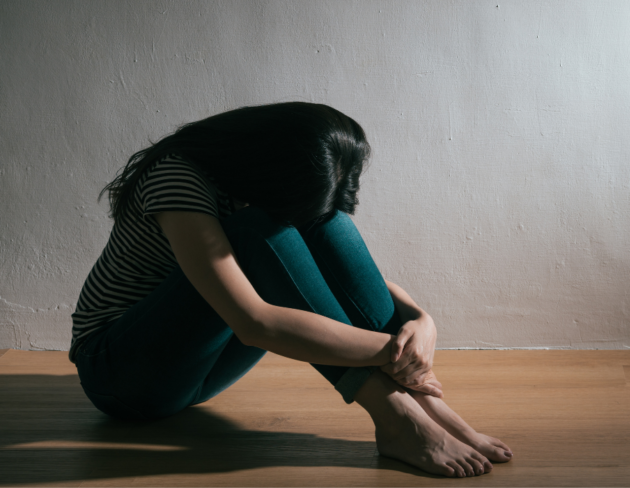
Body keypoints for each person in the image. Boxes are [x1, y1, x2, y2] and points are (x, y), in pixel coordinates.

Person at [70, 102, 511, 478]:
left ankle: (425, 406)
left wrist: (419, 320)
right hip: (122, 375)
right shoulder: (177, 179)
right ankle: (397, 417)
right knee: (253, 230)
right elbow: (254, 322)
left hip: (200, 369)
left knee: (326, 222)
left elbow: (330, 278)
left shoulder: (256, 178)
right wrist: (395, 351)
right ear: (270, 164)